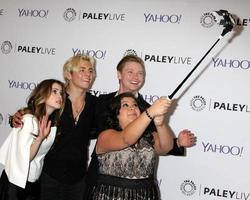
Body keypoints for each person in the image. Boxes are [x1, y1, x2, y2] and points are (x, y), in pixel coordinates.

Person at [86, 54, 196, 196]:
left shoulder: (147, 108)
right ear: (119, 74)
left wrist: (176, 141)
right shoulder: (101, 102)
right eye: (130, 72)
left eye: (140, 73)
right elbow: (89, 131)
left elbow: (159, 143)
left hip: (143, 190)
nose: (135, 77)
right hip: (103, 182)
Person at [9, 54, 98, 200]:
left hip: (78, 178)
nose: (88, 74)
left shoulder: (95, 103)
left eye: (90, 70)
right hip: (49, 175)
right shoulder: (56, 98)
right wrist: (17, 117)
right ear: (69, 74)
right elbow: (34, 111)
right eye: (82, 70)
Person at [87, 92, 174, 200]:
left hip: (146, 195)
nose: (132, 108)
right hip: (112, 195)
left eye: (135, 105)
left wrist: (160, 124)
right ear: (116, 113)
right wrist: (151, 111)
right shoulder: (106, 135)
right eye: (125, 105)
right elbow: (126, 139)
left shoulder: (148, 136)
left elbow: (167, 147)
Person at [0, 79, 65, 200]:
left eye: (61, 93)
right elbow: (25, 157)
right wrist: (40, 139)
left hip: (34, 184)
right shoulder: (29, 120)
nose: (59, 96)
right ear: (43, 94)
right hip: (15, 184)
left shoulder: (51, 123)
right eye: (54, 91)